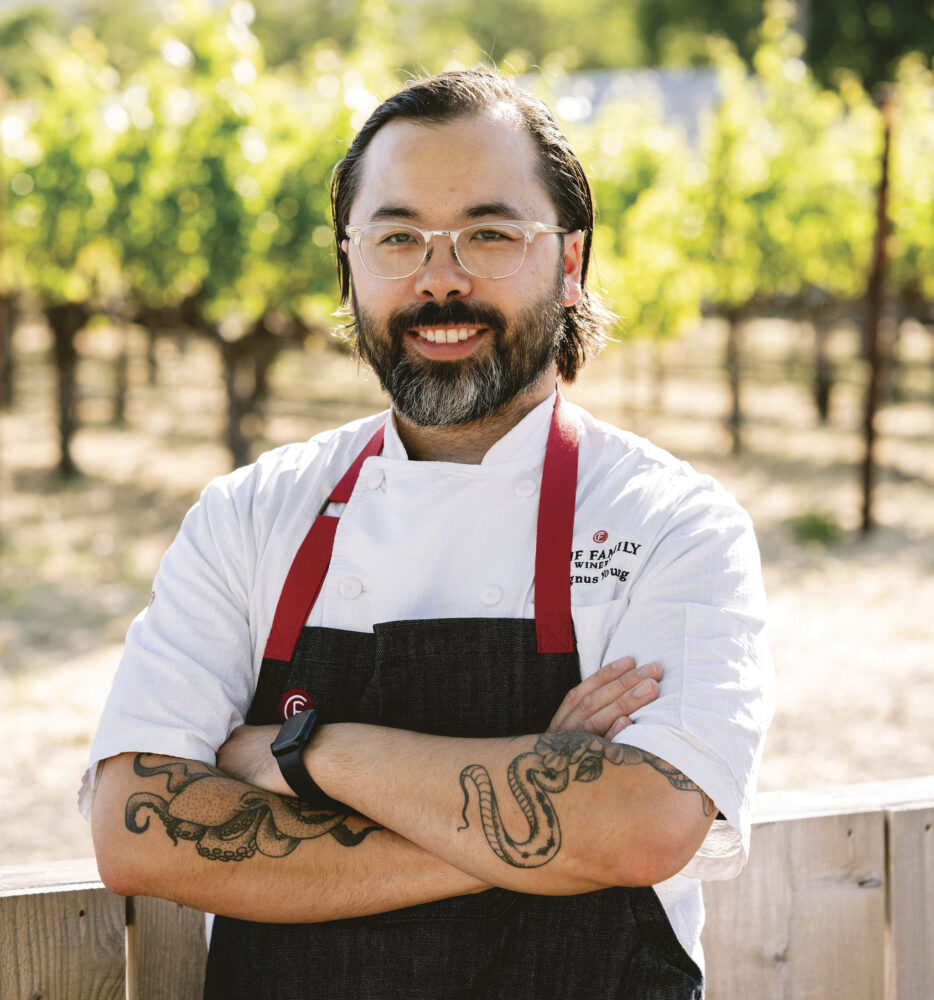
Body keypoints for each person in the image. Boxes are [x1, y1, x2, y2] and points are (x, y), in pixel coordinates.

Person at [83, 69, 773, 999]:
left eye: (489, 235)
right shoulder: (249, 517)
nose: (438, 278)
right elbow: (137, 827)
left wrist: (300, 752)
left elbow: (646, 827)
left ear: (570, 265)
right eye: (398, 237)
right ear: (350, 262)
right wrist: (550, 825)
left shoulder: (672, 525)